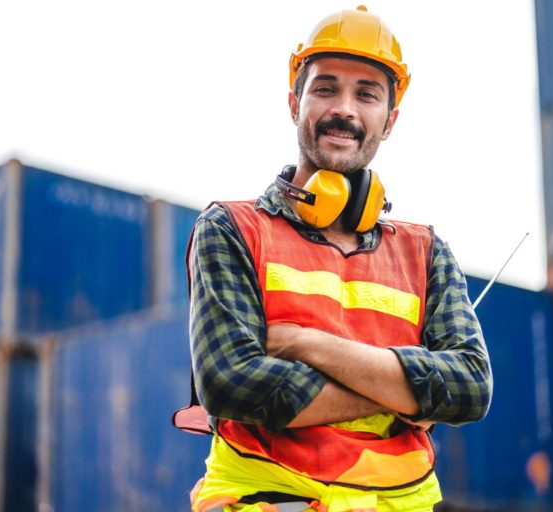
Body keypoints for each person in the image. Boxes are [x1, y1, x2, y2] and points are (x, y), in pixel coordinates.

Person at [176, 6, 493, 511]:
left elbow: (471, 386)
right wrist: (408, 392)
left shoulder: (425, 251)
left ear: (388, 120)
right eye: (325, 88)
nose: (344, 108)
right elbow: (232, 384)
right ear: (294, 103)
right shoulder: (232, 228)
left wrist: (307, 344)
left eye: (366, 94)